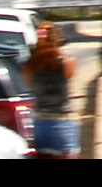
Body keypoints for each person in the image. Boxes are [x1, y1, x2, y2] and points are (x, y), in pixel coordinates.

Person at [23, 22, 78, 159]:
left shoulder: (29, 65)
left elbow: (29, 82)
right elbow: (69, 75)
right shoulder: (67, 62)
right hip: (62, 123)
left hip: (40, 123)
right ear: (57, 40)